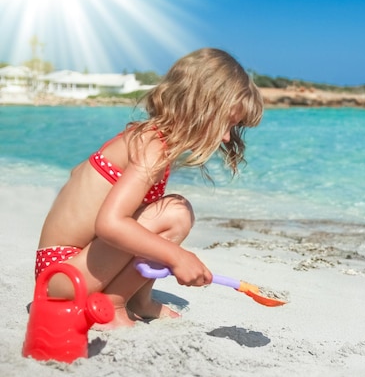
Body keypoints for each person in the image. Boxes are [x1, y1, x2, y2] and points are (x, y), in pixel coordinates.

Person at [35, 48, 264, 328]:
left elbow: (79, 175)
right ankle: (113, 303)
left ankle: (138, 301)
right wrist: (178, 256)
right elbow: (109, 224)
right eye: (225, 122)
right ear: (200, 107)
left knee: (153, 216)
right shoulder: (152, 146)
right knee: (175, 213)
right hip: (62, 277)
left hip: (60, 271)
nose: (227, 137)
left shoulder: (144, 137)